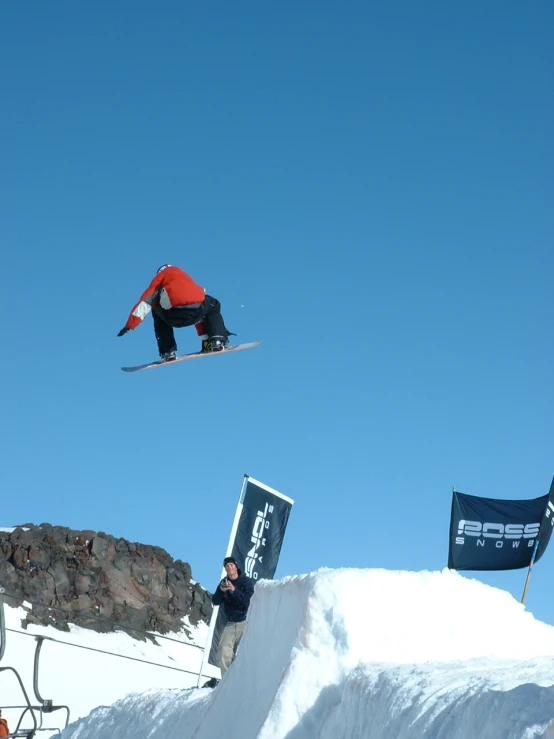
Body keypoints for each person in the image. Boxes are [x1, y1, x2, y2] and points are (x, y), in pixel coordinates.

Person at [117, 265, 233, 361]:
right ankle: (215, 340)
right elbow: (195, 298)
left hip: (173, 315)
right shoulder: (184, 275)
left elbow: (146, 302)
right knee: (213, 305)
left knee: (156, 309)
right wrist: (207, 335)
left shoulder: (161, 277)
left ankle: (168, 352)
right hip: (196, 311)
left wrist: (129, 326)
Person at [212, 556, 255, 675]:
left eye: (231, 565)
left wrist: (234, 590)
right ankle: (226, 683)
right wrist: (221, 591)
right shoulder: (224, 582)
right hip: (230, 623)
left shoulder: (246, 582)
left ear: (236, 566)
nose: (229, 567)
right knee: (223, 652)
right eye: (227, 566)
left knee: (246, 653)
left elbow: (247, 602)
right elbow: (215, 601)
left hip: (245, 622)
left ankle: (245, 680)